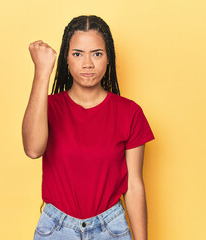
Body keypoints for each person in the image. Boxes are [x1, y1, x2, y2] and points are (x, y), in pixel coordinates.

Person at [22, 15, 155, 240]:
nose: (87, 64)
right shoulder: (48, 108)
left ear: (108, 58)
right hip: (56, 228)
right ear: (66, 57)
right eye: (77, 54)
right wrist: (42, 71)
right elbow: (33, 150)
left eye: (97, 54)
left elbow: (133, 185)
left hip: (110, 228)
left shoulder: (130, 113)